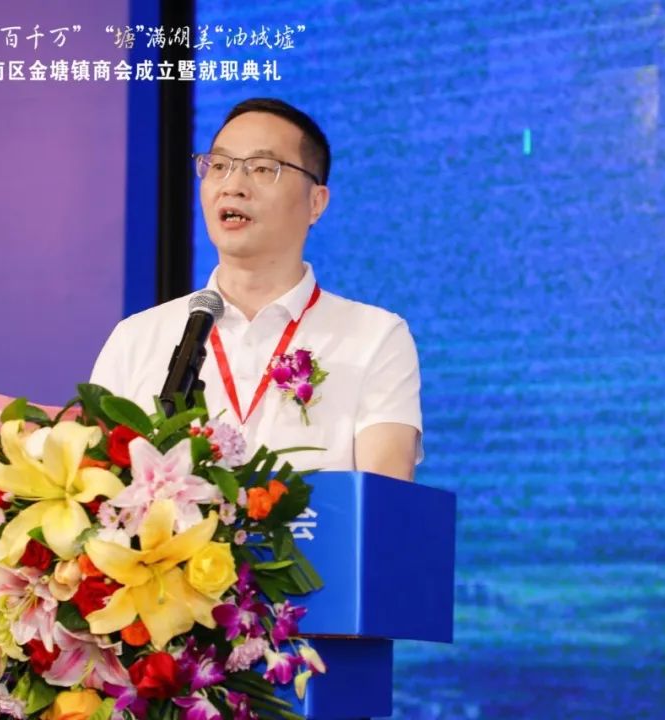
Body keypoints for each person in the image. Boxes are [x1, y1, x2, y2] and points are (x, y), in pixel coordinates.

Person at [91, 98, 422, 480]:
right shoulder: (136, 337)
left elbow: (383, 499)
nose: (233, 186)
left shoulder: (375, 338)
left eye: (262, 168)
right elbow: (97, 487)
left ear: (316, 203)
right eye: (219, 166)